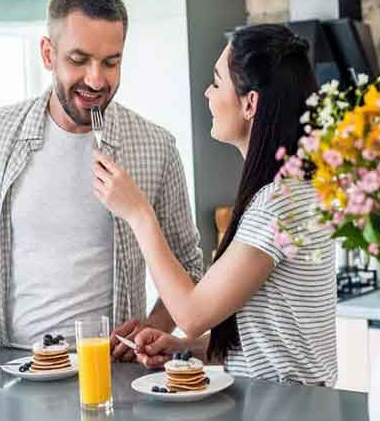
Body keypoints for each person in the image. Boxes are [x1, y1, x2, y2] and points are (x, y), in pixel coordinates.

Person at [0, 0, 203, 376]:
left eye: (111, 62)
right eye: (79, 60)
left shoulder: (156, 146)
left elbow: (188, 265)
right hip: (12, 368)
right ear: (48, 53)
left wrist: (151, 331)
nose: (97, 80)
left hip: (113, 373)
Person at [93, 24, 337, 385]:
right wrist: (181, 348)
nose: (207, 93)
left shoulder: (278, 203)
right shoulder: (297, 190)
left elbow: (191, 314)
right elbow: (266, 343)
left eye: (216, 81)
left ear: (250, 102)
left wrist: (138, 213)